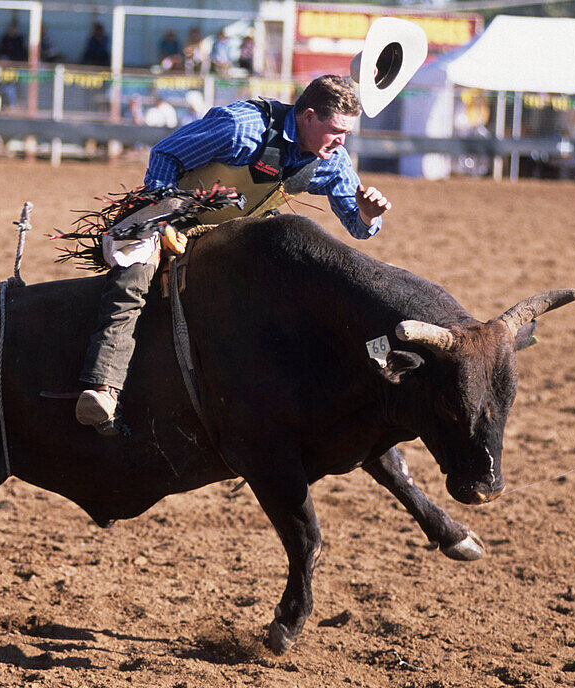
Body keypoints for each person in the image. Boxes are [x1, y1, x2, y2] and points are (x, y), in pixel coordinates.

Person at [74, 74, 392, 430]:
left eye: (347, 132)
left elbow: (357, 224)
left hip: (235, 232)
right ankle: (104, 389)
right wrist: (164, 216)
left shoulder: (332, 160)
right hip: (172, 216)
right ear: (309, 116)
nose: (341, 141)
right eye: (336, 130)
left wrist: (366, 213)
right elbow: (164, 154)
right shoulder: (240, 127)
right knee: (131, 280)